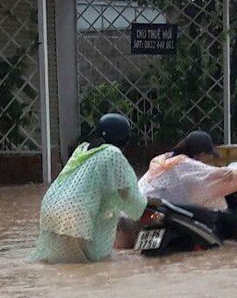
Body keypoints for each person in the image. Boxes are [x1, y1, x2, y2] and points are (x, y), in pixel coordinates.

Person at [29, 113, 152, 263]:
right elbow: (125, 192)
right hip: (76, 215)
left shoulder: (83, 149)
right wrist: (142, 206)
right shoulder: (112, 153)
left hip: (51, 208)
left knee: (61, 265)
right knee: (85, 268)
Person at [138, 130, 237, 207]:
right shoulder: (184, 164)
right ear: (200, 154)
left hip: (140, 206)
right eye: (208, 155)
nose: (208, 159)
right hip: (157, 206)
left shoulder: (165, 158)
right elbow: (222, 174)